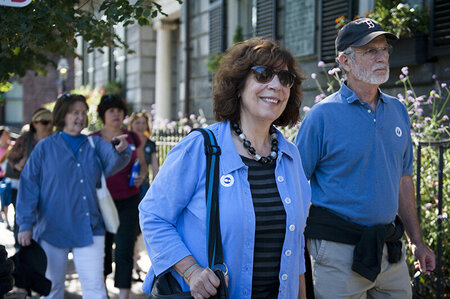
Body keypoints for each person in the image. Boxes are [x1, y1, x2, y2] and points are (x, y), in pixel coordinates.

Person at [139, 37, 311, 299]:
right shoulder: (201, 148)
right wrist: (192, 272)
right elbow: (153, 215)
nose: (275, 85)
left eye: (284, 78)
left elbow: (295, 244)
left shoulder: (290, 156)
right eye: (263, 75)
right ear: (239, 86)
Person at [295, 18, 436, 298]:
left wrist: (417, 242)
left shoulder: (398, 110)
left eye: (384, 49)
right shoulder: (322, 117)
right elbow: (295, 185)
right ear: (345, 61)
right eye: (370, 51)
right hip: (336, 252)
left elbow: (403, 179)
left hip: (389, 252)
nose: (381, 57)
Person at [16, 93, 131, 299]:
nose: (80, 117)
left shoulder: (94, 145)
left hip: (89, 228)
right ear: (63, 115)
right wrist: (25, 224)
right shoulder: (44, 147)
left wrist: (123, 151)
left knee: (95, 290)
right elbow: (28, 186)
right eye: (74, 113)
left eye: (84, 113)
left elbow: (115, 161)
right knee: (52, 291)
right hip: (52, 229)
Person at [92, 94, 148, 299]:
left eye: (119, 110)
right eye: (111, 111)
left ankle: (123, 295)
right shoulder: (93, 139)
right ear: (103, 115)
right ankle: (102, 291)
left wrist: (141, 175)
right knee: (103, 250)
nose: (116, 114)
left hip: (128, 201)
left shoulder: (133, 137)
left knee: (124, 249)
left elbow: (141, 164)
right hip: (101, 203)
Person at [6, 108, 54, 244]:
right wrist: (19, 165)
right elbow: (11, 158)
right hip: (24, 187)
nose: (49, 126)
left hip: (48, 189)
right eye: (45, 122)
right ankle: (22, 248)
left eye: (51, 122)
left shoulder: (57, 140)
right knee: (22, 219)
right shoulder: (26, 140)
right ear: (35, 124)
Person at [128, 110, 159, 282]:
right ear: (131, 125)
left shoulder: (150, 144)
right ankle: (133, 262)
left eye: (142, 123)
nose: (140, 126)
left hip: (144, 189)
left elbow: (155, 169)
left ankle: (137, 259)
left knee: (143, 227)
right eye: (137, 123)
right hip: (128, 188)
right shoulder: (127, 142)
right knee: (132, 225)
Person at [0, 126, 14, 229]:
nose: (7, 136)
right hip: (1, 176)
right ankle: (5, 217)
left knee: (8, 197)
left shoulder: (13, 146)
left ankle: (7, 219)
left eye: (8, 134)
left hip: (10, 177)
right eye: (5, 134)